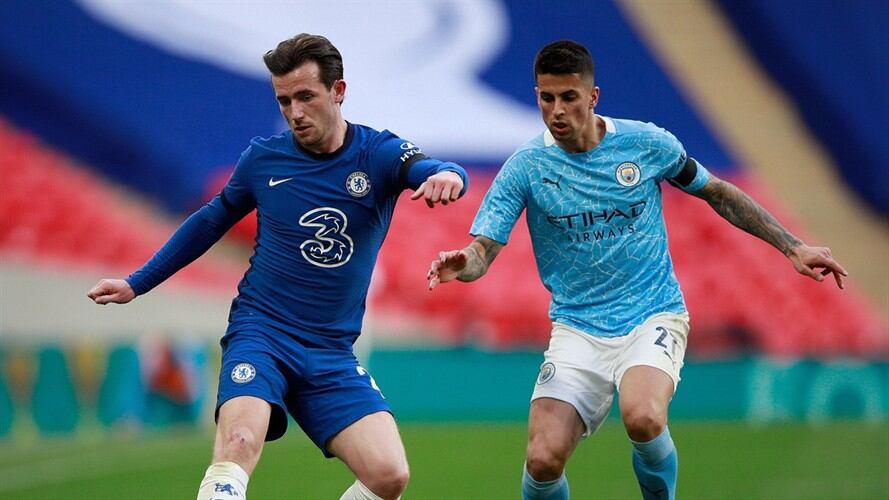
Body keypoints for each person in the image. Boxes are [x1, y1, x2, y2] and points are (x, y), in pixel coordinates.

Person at [426, 40, 847, 500]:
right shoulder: (525, 168)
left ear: (593, 97)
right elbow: (484, 249)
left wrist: (792, 247)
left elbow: (718, 192)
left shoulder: (647, 144)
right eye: (546, 98)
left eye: (569, 97)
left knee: (643, 417)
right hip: (576, 328)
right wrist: (463, 262)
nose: (557, 111)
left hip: (651, 314)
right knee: (542, 460)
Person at [88, 33, 468, 500]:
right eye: (284, 100)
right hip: (262, 332)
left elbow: (434, 168)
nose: (295, 113)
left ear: (338, 91)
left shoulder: (378, 154)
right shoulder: (264, 159)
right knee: (239, 444)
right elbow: (210, 221)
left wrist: (449, 176)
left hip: (330, 351)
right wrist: (136, 282)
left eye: (305, 96)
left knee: (389, 476)